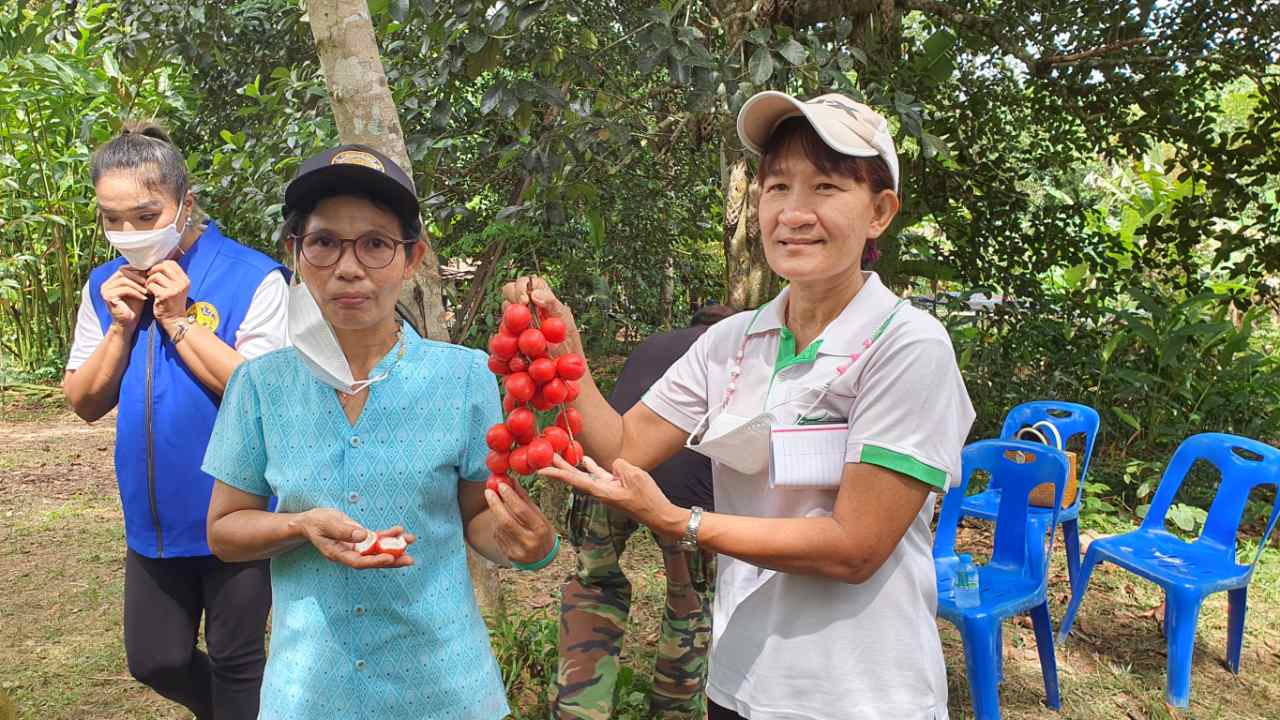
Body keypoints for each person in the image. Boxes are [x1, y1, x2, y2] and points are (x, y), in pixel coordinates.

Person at [509, 91, 976, 720]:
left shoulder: (907, 345)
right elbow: (624, 446)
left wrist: (683, 523)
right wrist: (569, 355)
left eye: (827, 187)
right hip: (738, 679)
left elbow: (855, 547)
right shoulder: (734, 341)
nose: (794, 211)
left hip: (860, 692)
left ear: (879, 212)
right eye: (777, 186)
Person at [202, 144, 559, 719]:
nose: (349, 267)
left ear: (410, 258)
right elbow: (224, 530)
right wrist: (300, 525)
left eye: (375, 244)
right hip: (310, 694)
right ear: (296, 253)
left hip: (444, 689)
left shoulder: (464, 376)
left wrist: (527, 544)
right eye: (323, 243)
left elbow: (479, 516)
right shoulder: (260, 387)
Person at [62, 122, 287, 720]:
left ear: (185, 203)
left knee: (240, 663)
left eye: (144, 214)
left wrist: (179, 318)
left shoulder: (254, 277)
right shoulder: (102, 287)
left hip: (238, 511)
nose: (128, 233)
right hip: (152, 518)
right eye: (113, 219)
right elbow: (84, 402)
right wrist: (119, 326)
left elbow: (264, 395)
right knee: (154, 660)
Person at [554, 302, 735, 720]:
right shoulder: (734, 350)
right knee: (689, 602)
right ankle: (674, 710)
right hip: (684, 488)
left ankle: (580, 708)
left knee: (593, 587)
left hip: (606, 473)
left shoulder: (654, 344)